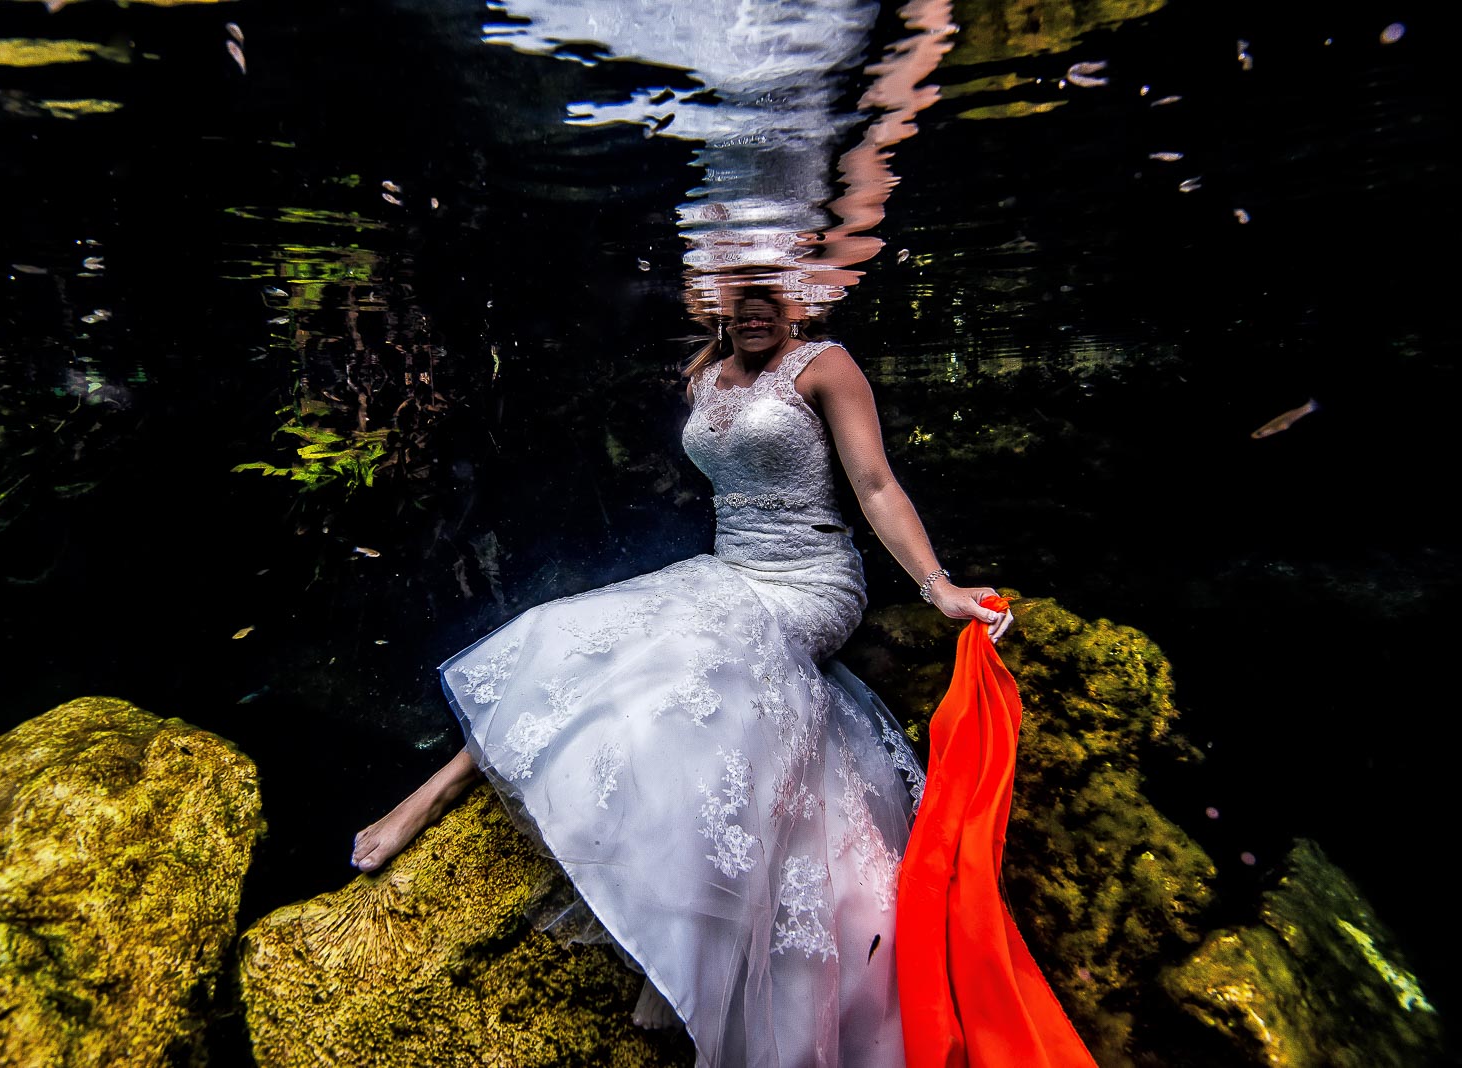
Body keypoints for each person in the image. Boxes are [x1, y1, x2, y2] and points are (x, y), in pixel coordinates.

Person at [351, 286, 1013, 1067]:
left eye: (773, 293)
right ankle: (439, 787)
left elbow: (874, 486)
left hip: (811, 583)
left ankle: (696, 952)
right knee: (575, 635)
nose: (757, 309)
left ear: (797, 295)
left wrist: (939, 588)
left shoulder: (825, 366)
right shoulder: (703, 374)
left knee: (695, 664)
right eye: (743, 295)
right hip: (729, 573)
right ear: (720, 298)